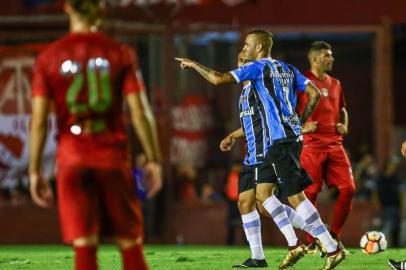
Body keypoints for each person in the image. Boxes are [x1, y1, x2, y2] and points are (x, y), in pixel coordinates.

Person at [177, 29, 345, 270]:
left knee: (288, 197)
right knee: (256, 200)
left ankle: (325, 245)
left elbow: (217, 79)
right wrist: (298, 121)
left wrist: (193, 64)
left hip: (273, 143)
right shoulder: (288, 69)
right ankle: (270, 253)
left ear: (258, 48)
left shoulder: (257, 72)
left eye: (247, 46)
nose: (243, 54)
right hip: (283, 140)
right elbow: (314, 93)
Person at [29, 1, 162, 270]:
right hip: (111, 155)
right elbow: (140, 112)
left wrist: (34, 171)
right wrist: (153, 159)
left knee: (84, 246)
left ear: (67, 8)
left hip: (71, 158)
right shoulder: (120, 52)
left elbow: (39, 122)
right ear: (101, 11)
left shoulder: (48, 58)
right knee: (129, 244)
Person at [220, 52, 316, 268]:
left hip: (264, 152)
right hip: (250, 155)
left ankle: (310, 234)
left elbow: (271, 118)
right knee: (245, 203)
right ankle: (258, 257)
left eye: (246, 60)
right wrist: (232, 136)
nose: (242, 62)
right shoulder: (244, 92)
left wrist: (298, 126)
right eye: (239, 60)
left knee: (264, 202)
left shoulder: (258, 88)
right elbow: (250, 123)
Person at [296, 41, 356, 253]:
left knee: (349, 189)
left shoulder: (336, 84)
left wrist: (344, 125)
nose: (331, 59)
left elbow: (342, 110)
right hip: (311, 146)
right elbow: (286, 113)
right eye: (326, 56)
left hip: (335, 144)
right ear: (314, 59)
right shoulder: (301, 82)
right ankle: (313, 240)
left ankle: (334, 234)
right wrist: (302, 127)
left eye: (331, 55)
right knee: (310, 193)